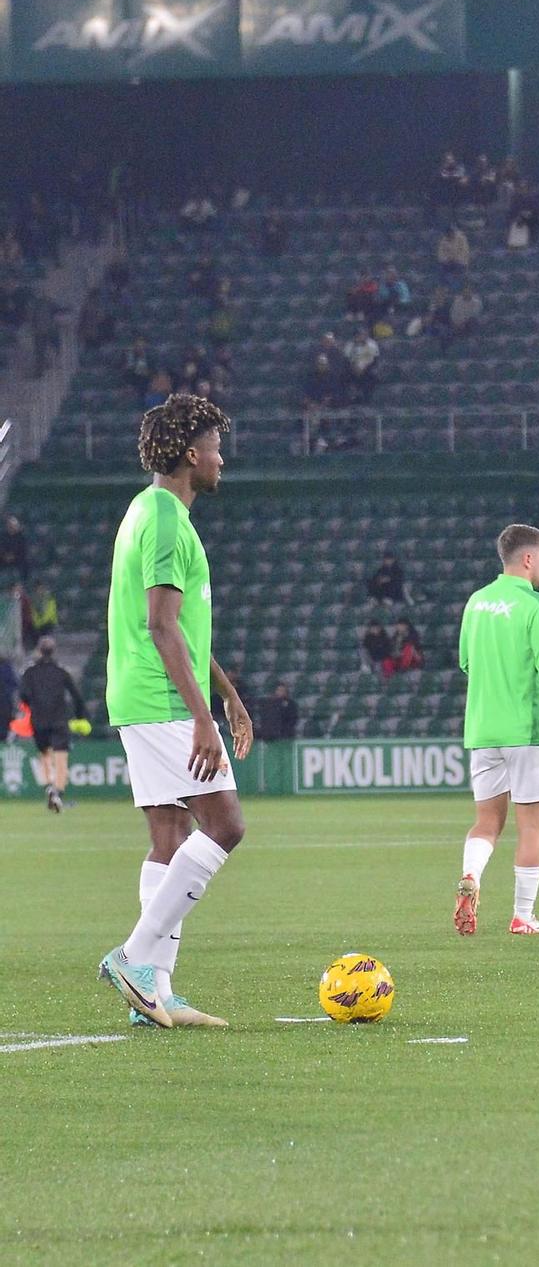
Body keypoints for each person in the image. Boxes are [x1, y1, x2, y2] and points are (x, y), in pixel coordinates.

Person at [97, 394, 248, 1029]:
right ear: (191, 454)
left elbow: (179, 628)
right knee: (225, 826)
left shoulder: (149, 511)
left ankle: (152, 995)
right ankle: (133, 959)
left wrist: (229, 695)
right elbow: (162, 628)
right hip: (161, 701)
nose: (221, 459)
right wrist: (203, 719)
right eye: (216, 447)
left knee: (170, 836)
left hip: (141, 694)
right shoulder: (163, 520)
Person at [453, 525, 539, 938]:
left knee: (486, 821)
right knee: (531, 826)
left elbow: (466, 663)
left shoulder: (476, 601)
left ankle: (471, 874)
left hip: (484, 729)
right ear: (527, 559)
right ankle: (523, 915)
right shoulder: (538, 605)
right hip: (526, 730)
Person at [20, 635, 85, 812]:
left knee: (45, 756)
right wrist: (80, 717)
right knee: (61, 758)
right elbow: (76, 696)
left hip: (39, 721)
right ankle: (58, 793)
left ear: (39, 650)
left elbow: (23, 695)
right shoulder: (61, 671)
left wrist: (34, 703)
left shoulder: (30, 672)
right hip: (59, 720)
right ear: (53, 651)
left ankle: (50, 787)